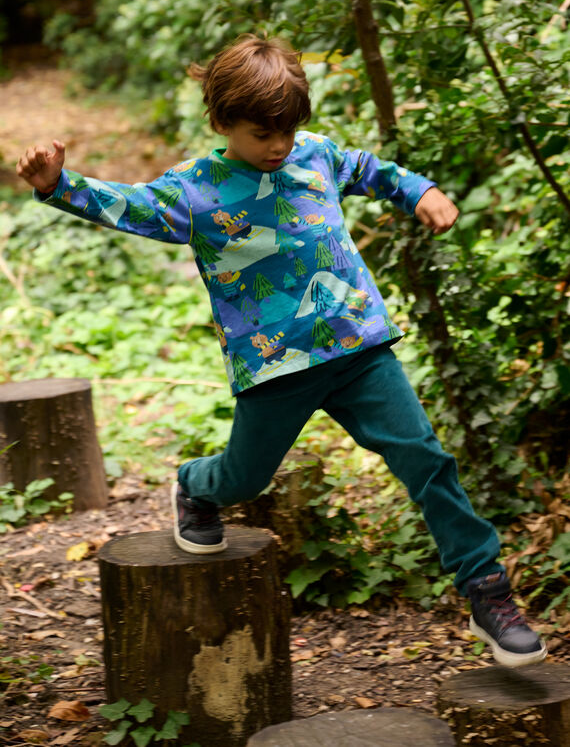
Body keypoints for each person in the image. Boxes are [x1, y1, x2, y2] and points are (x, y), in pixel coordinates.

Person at [17, 34, 546, 668]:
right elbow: (128, 204)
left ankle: (487, 590)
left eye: (288, 132)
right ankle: (196, 485)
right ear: (222, 122)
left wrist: (419, 191)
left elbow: (369, 168)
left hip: (359, 350)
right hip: (275, 368)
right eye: (260, 134)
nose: (278, 146)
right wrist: (58, 185)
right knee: (246, 478)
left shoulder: (315, 156)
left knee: (426, 461)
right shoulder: (197, 190)